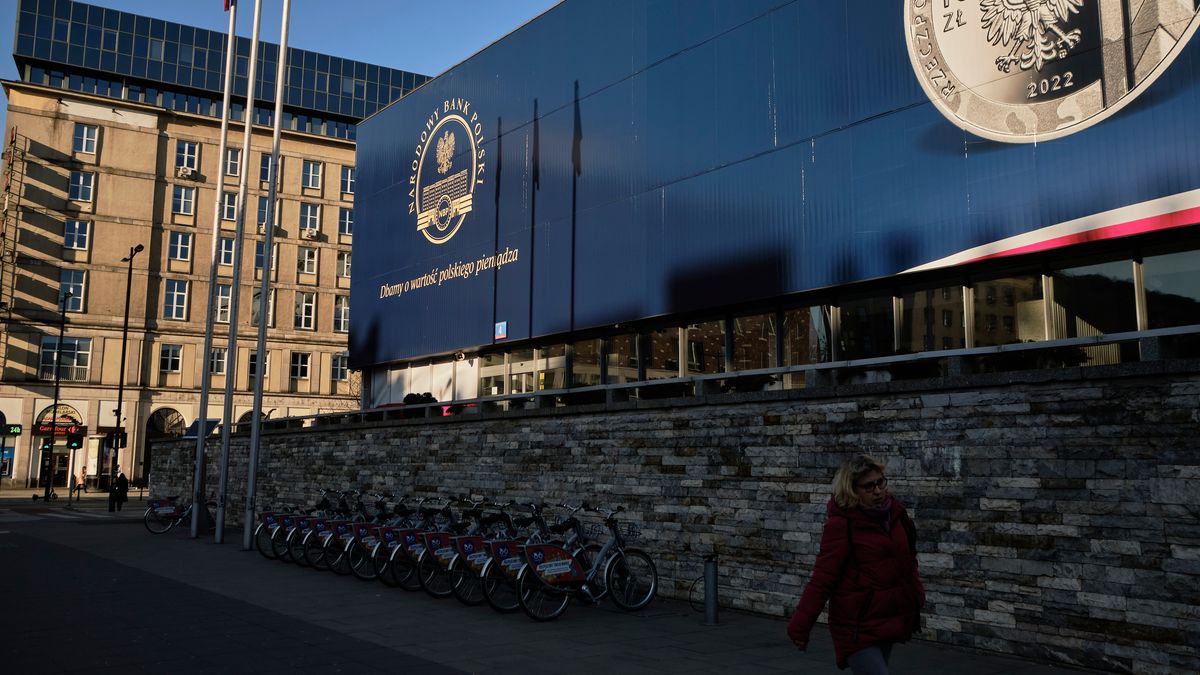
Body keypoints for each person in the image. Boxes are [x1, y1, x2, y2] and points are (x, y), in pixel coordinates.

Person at [787, 454, 924, 674]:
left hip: (888, 619)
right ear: (852, 489)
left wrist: (916, 595)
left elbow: (907, 562)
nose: (878, 491)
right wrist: (800, 625)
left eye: (880, 482)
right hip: (856, 626)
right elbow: (823, 578)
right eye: (869, 486)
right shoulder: (842, 525)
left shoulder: (896, 515)